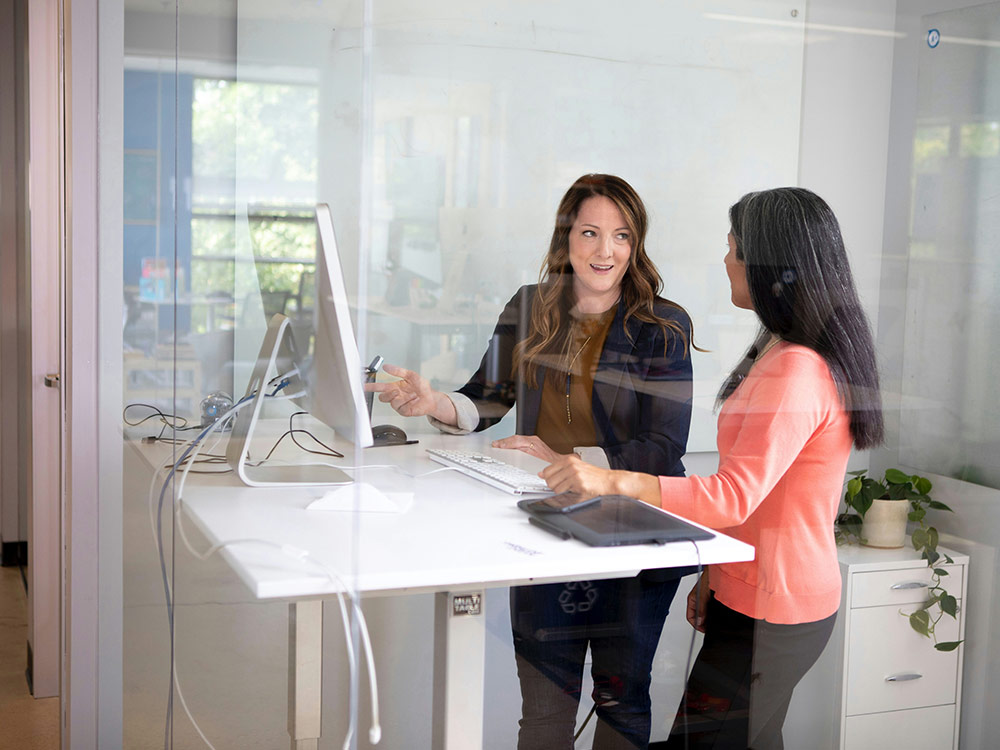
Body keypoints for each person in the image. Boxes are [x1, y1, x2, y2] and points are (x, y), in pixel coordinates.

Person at [540, 187, 884, 749]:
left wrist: (607, 479)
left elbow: (733, 494)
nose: (726, 261)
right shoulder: (780, 347)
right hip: (752, 594)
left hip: (776, 607)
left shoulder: (797, 367)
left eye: (734, 250)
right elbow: (761, 491)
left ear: (773, 266)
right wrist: (715, 575)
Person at [368, 174, 696, 749]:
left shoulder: (662, 326)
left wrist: (564, 457)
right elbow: (488, 397)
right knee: (545, 708)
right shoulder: (529, 306)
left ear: (636, 243)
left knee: (623, 700)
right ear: (566, 238)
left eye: (621, 236)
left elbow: (664, 449)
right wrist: (434, 402)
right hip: (550, 526)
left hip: (635, 528)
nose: (605, 251)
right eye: (590, 233)